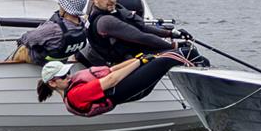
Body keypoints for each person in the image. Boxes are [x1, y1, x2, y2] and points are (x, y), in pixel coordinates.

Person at [80, 0, 206, 67]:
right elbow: (141, 36)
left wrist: (172, 33)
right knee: (188, 52)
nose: (111, 0)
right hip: (122, 62)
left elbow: (142, 26)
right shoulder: (105, 21)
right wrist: (174, 46)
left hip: (134, 52)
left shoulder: (116, 9)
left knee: (189, 51)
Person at [36, 51, 191, 117]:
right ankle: (203, 73)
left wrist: (138, 59)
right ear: (53, 83)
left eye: (67, 72)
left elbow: (111, 70)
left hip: (127, 86)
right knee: (169, 58)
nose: (69, 76)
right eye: (63, 76)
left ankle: (202, 67)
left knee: (166, 54)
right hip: (124, 90)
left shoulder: (73, 84)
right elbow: (111, 80)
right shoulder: (75, 95)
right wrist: (139, 62)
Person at [9, 0, 88, 65]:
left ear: (66, 9)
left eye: (61, 3)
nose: (59, 4)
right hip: (61, 60)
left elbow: (29, 38)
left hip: (42, 60)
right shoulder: (83, 24)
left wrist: (22, 40)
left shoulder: (53, 28)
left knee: (23, 47)